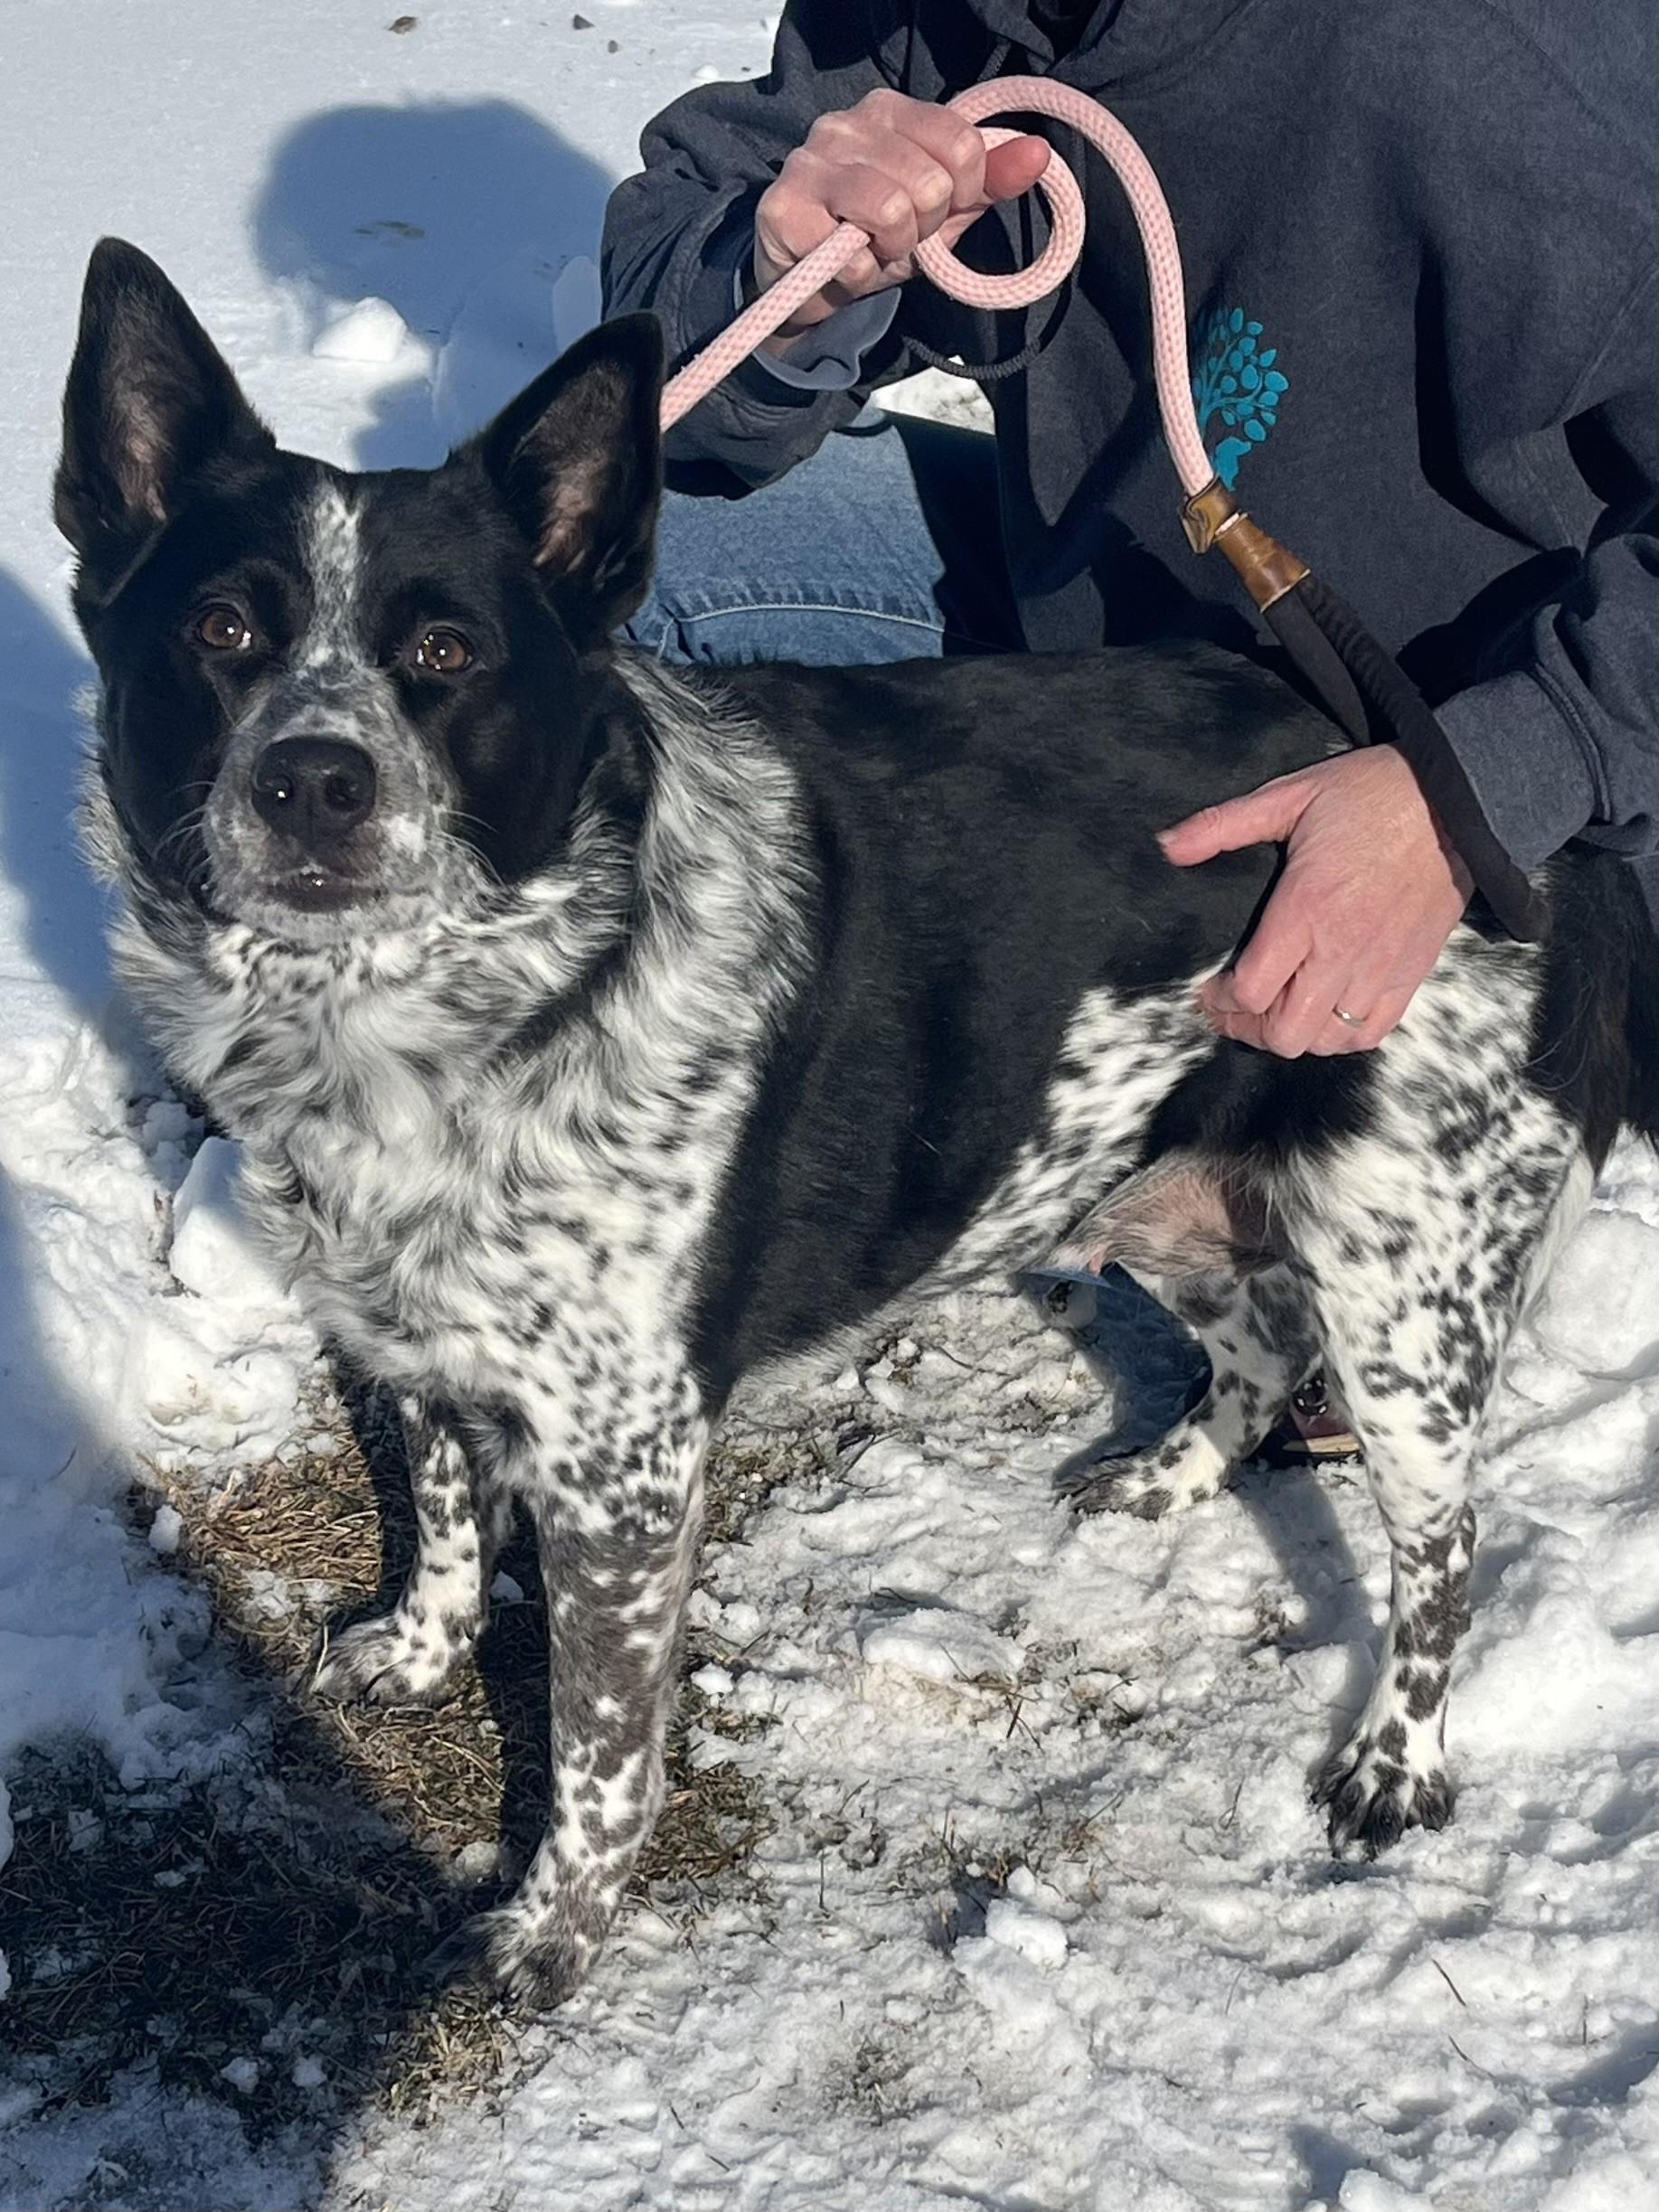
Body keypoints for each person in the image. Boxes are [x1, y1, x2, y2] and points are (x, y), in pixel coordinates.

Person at [599, 2, 1655, 1450]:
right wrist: (785, 273)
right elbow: (663, 375)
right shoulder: (933, 17)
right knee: (622, 586)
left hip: (1452, 756)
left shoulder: (1532, 67)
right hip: (1104, 673)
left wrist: (1478, 786)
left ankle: (1411, 1146)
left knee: (1407, 1201)